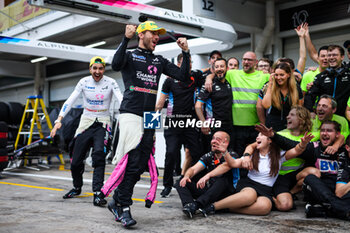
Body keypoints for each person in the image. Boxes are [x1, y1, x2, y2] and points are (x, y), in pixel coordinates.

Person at [105, 21, 190, 228]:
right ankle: (123, 206)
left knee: (142, 163)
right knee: (133, 160)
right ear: (141, 35)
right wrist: (125, 38)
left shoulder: (159, 60)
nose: (157, 38)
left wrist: (186, 53)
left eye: (158, 35)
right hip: (131, 113)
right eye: (153, 33)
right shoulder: (130, 54)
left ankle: (117, 199)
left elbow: (183, 76)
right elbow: (115, 65)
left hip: (150, 115)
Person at [50, 56, 123, 206]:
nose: (97, 71)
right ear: (90, 69)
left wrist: (127, 118)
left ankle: (98, 193)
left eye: (100, 68)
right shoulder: (83, 82)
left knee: (99, 156)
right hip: (86, 122)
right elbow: (69, 100)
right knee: (76, 161)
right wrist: (59, 120)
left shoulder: (111, 82)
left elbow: (121, 100)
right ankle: (77, 187)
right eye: (94, 68)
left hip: (103, 122)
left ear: (103, 69)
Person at [198, 130, 314, 216]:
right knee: (250, 196)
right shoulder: (252, 155)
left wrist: (303, 144)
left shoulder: (279, 156)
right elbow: (232, 164)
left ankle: (227, 208)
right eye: (257, 135)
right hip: (250, 185)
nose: (258, 137)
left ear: (269, 140)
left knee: (265, 207)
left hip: (266, 189)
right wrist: (225, 153)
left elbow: (296, 150)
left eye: (261, 135)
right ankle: (213, 206)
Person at [257, 121, 350, 220]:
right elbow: (289, 144)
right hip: (317, 188)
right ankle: (341, 209)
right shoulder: (314, 147)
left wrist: (337, 145)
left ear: (337, 134)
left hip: (337, 188)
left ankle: (320, 210)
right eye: (322, 130)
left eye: (329, 131)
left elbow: (343, 138)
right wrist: (273, 135)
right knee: (311, 177)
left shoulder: (344, 150)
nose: (325, 133)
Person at [155, 53, 202, 198]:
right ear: (179, 65)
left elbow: (209, 72)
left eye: (190, 63)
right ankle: (167, 185)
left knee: (196, 153)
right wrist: (150, 126)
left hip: (190, 122)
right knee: (171, 153)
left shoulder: (196, 77)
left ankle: (193, 182)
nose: (188, 66)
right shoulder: (169, 81)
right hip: (173, 122)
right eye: (184, 63)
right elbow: (160, 103)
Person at [207, 51, 269, 156]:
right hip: (236, 125)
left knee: (255, 156)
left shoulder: (264, 76)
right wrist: (208, 78)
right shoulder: (233, 74)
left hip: (256, 125)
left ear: (256, 62)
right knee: (238, 155)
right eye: (244, 59)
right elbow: (217, 72)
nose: (246, 62)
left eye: (249, 60)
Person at [175, 131, 239, 218]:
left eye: (218, 139)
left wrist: (207, 175)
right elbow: (193, 169)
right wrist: (187, 176)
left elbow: (226, 166)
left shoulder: (232, 155)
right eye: (213, 138)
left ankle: (197, 204)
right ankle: (189, 205)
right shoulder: (209, 156)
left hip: (226, 194)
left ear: (226, 143)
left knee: (223, 180)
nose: (214, 141)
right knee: (181, 181)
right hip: (210, 193)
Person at [304, 45, 350, 117]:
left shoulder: (349, 74)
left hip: (345, 118)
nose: (331, 57)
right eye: (329, 55)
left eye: (334, 55)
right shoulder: (320, 77)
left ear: (342, 57)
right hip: (325, 119)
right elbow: (309, 96)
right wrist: (310, 111)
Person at [259, 62, 303, 131]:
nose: (278, 78)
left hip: (289, 125)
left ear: (288, 75)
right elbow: (266, 105)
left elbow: (299, 108)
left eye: (282, 75)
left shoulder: (296, 87)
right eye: (276, 75)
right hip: (272, 125)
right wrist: (270, 84)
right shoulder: (268, 86)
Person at [195, 58, 233, 138]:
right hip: (214, 126)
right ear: (214, 69)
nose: (219, 69)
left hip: (229, 125)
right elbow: (198, 106)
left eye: (222, 66)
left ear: (227, 68)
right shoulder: (209, 84)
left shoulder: (229, 82)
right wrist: (203, 123)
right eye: (217, 67)